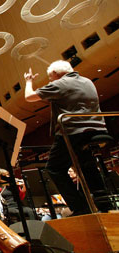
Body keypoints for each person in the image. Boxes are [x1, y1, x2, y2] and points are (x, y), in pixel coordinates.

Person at [24, 60, 108, 215]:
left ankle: (81, 207)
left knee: (54, 168)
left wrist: (29, 81)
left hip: (73, 131)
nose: (50, 81)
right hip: (97, 128)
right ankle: (104, 204)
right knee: (87, 165)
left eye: (50, 78)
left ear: (56, 74)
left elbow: (29, 97)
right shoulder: (87, 81)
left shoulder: (60, 84)